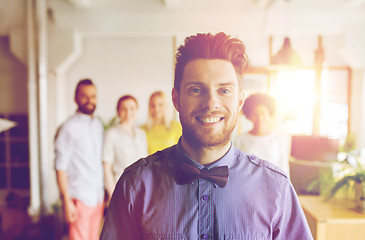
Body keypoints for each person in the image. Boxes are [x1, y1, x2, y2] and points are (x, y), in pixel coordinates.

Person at [100, 32, 313, 239]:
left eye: (224, 91)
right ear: (176, 99)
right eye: (195, 90)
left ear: (240, 101)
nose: (211, 103)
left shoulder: (276, 188)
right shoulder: (135, 187)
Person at [55, 79, 104, 240]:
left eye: (93, 96)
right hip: (79, 199)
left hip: (97, 198)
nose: (89, 100)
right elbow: (60, 166)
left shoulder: (98, 125)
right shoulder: (68, 127)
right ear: (76, 98)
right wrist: (67, 201)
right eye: (84, 96)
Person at [103, 95, 148, 202]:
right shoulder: (111, 134)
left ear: (136, 110)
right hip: (121, 192)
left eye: (132, 108)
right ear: (118, 111)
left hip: (142, 191)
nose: (128, 112)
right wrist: (112, 196)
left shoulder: (141, 134)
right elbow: (106, 168)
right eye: (124, 109)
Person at [234, 93, 291, 175]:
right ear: (249, 116)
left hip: (273, 184)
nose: (260, 118)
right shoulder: (240, 139)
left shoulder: (279, 139)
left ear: (269, 114)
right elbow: (237, 167)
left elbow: (284, 168)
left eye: (263, 113)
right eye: (255, 114)